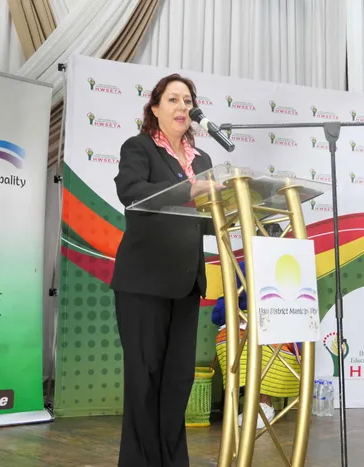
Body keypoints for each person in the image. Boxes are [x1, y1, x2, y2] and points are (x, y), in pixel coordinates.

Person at [111, 73, 220, 467]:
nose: (182, 107)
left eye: (187, 101)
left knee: (177, 381)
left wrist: (237, 213)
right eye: (173, 99)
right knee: (144, 380)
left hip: (186, 282)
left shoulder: (202, 161)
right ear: (155, 108)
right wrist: (189, 190)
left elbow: (204, 220)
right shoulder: (139, 147)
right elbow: (131, 192)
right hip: (144, 281)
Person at [212, 224, 302, 429]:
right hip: (247, 324)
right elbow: (226, 303)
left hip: (282, 326)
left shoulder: (294, 265)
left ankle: (263, 403)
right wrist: (237, 314)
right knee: (229, 339)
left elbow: (301, 307)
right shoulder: (244, 267)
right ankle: (246, 403)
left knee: (267, 342)